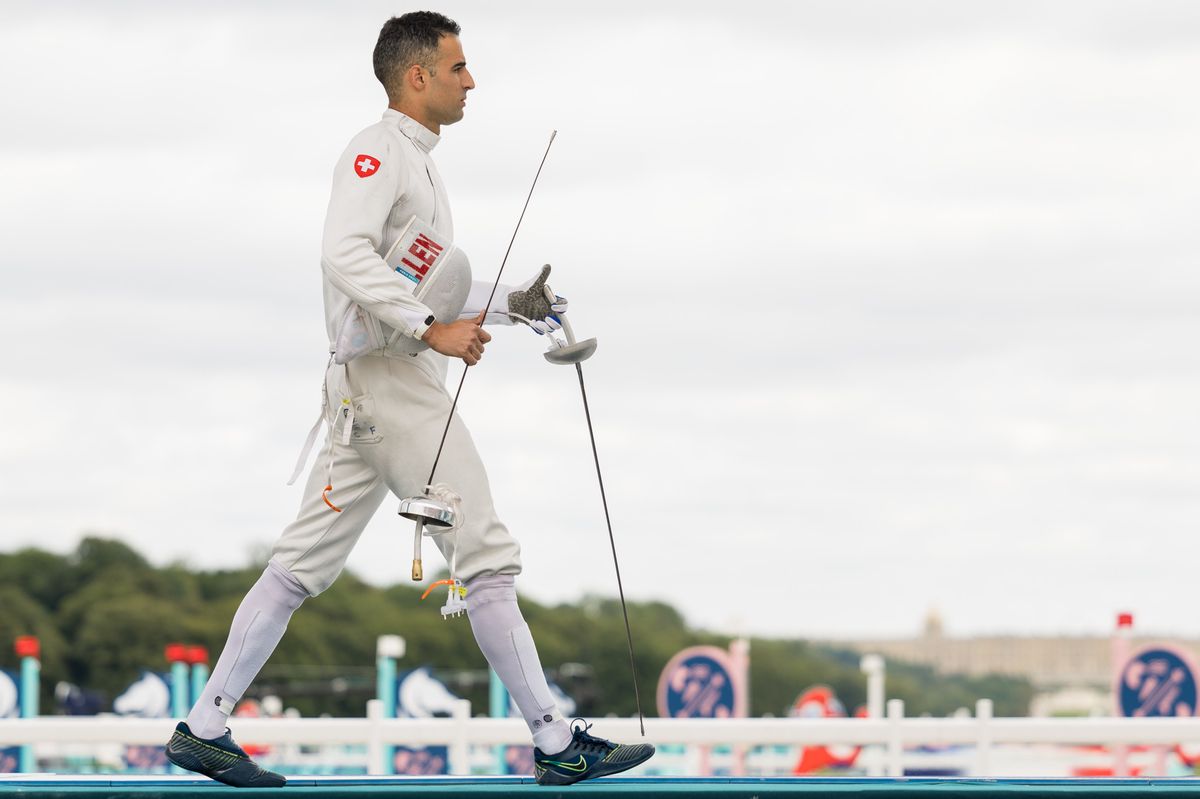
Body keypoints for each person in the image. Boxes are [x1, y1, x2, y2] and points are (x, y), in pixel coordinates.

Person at [163, 11, 654, 788]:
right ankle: (557, 741)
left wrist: (510, 303)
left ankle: (206, 724)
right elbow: (343, 254)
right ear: (417, 75)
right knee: (487, 558)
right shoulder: (376, 153)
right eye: (458, 67)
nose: (471, 81)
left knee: (298, 567)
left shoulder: (420, 167)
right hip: (393, 386)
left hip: (368, 390)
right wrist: (432, 331)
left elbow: (421, 284)